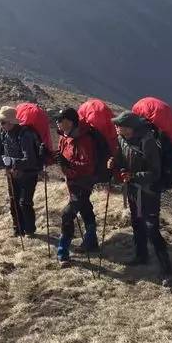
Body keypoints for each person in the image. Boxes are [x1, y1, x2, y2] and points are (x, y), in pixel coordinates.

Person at [109, 111, 172, 283]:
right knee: (137, 222)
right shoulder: (122, 139)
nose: (116, 127)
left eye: (119, 125)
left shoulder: (148, 142)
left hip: (148, 192)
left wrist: (134, 176)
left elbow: (155, 173)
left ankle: (167, 270)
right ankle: (141, 255)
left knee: (151, 228)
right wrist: (114, 163)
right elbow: (123, 162)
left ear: (129, 128)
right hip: (133, 190)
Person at [0, 106, 42, 237]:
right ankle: (18, 229)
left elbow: (30, 160)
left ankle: (30, 231)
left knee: (24, 202)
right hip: (12, 173)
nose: (1, 124)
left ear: (11, 122)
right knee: (13, 201)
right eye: (0, 122)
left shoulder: (25, 135)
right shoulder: (3, 133)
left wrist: (13, 162)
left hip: (28, 174)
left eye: (3, 122)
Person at [54, 108, 99, 267]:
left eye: (61, 119)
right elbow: (61, 157)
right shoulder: (64, 137)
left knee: (68, 214)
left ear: (71, 121)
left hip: (84, 182)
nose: (58, 122)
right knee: (85, 206)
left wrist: (68, 164)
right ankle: (91, 240)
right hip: (72, 181)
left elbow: (88, 167)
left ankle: (63, 252)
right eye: (57, 120)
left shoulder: (84, 139)